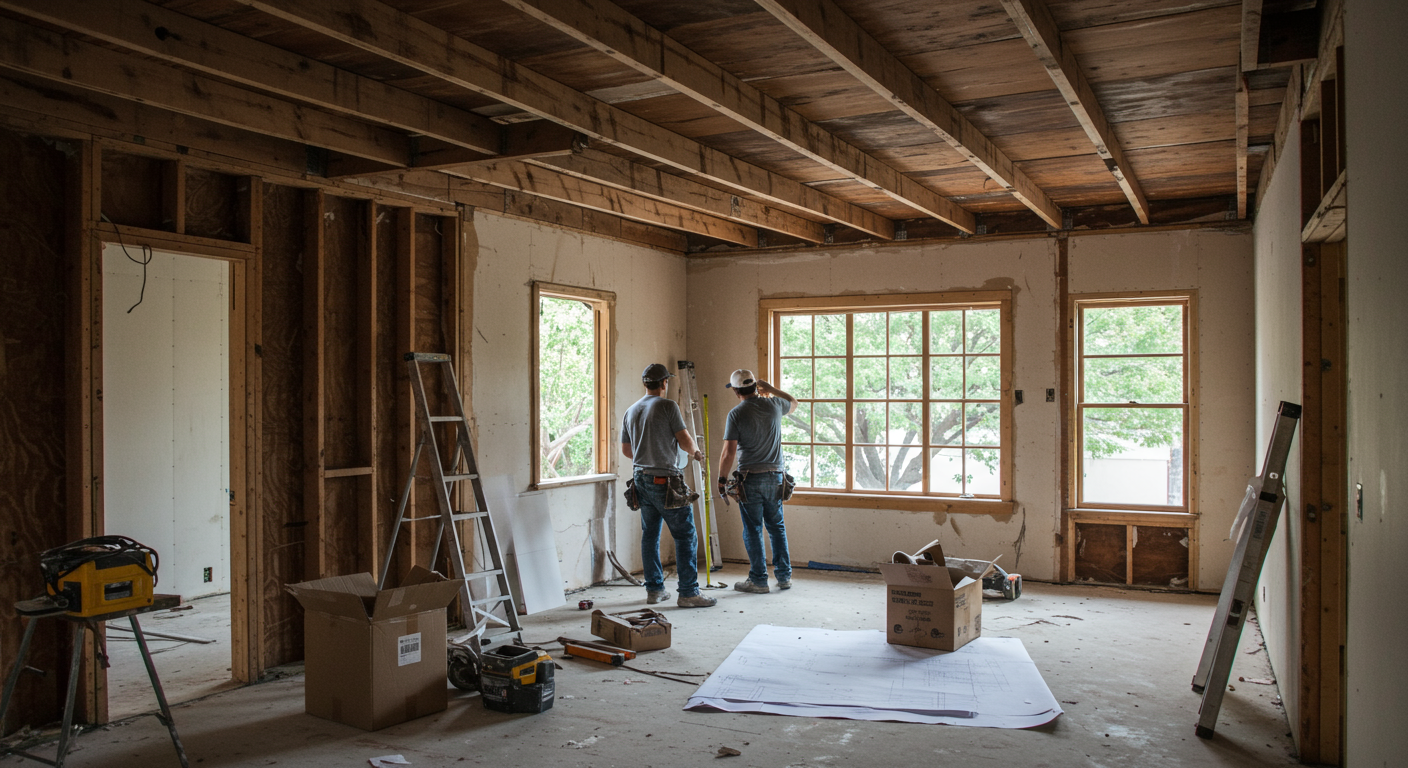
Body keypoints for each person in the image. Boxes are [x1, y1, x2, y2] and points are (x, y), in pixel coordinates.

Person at [620, 363, 718, 608]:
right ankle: (688, 593)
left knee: (650, 535)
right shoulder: (667, 405)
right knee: (685, 535)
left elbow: (627, 450)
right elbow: (684, 439)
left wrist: (647, 454)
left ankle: (655, 591)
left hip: (640, 479)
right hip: (665, 480)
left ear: (645, 383)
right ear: (664, 382)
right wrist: (696, 452)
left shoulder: (631, 410)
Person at [716, 369, 796, 594]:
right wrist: (771, 389)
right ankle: (784, 577)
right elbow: (794, 402)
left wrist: (722, 480)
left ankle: (759, 580)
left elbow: (728, 452)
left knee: (753, 529)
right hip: (775, 477)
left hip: (749, 478)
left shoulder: (736, 413)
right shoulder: (775, 405)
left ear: (736, 391)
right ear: (755, 387)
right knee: (776, 527)